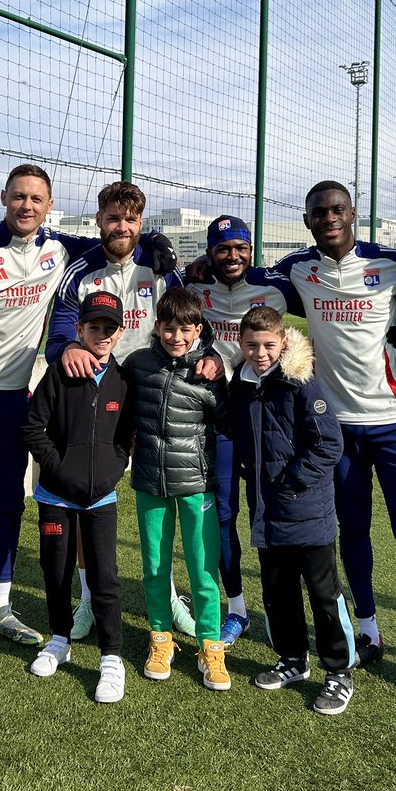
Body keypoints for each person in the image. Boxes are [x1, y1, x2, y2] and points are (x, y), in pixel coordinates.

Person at [0, 164, 175, 655]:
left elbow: (122, 245)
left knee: (12, 506)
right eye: (19, 197)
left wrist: (160, 240)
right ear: (4, 197)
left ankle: (0, 606)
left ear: (49, 205)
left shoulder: (60, 247)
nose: (26, 206)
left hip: (23, 399)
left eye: (36, 199)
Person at [273, 181, 396, 708]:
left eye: (337, 210)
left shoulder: (392, 264)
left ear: (353, 215)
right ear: (307, 221)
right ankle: (369, 633)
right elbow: (247, 280)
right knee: (352, 532)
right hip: (338, 430)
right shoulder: (299, 271)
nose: (328, 218)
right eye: (318, 213)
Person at [45, 181, 196, 641]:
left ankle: (168, 598)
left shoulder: (160, 266)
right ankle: (89, 600)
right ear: (99, 221)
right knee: (89, 499)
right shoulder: (80, 272)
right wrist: (70, 345)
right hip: (96, 401)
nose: (122, 227)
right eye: (113, 218)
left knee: (160, 503)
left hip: (153, 397)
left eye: (131, 220)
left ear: (141, 224)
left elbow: (186, 325)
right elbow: (58, 336)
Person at [231, 307, 354, 714]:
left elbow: (328, 444)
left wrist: (292, 482)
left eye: (268, 345)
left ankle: (338, 672)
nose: (260, 353)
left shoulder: (301, 382)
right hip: (266, 511)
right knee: (277, 592)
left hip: (306, 510)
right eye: (251, 344)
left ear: (283, 342)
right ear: (241, 342)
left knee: (323, 593)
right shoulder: (242, 381)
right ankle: (292, 659)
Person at [184, 214, 297, 647]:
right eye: (223, 249)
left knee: (272, 514)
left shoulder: (276, 286)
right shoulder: (193, 288)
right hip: (219, 420)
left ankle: (277, 608)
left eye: (240, 248)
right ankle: (237, 610)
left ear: (251, 249)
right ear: (210, 252)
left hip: (268, 418)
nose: (233, 257)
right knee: (225, 515)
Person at [22, 290, 133, 703]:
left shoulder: (123, 381)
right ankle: (59, 639)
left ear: (119, 333)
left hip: (101, 498)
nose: (101, 335)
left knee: (105, 578)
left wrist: (112, 469)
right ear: (79, 330)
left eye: (109, 328)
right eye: (93, 328)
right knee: (56, 571)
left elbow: (126, 437)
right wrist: (60, 469)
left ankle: (111, 658)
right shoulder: (58, 373)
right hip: (55, 495)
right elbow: (33, 428)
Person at [121, 288, 232, 691]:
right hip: (150, 482)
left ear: (198, 329)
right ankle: (160, 638)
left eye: (186, 329)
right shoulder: (137, 365)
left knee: (203, 571)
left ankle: (210, 646)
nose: (177, 337)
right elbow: (121, 410)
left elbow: (229, 424)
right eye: (169, 329)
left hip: (197, 487)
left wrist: (218, 371)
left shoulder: (207, 372)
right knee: (154, 566)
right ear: (157, 327)